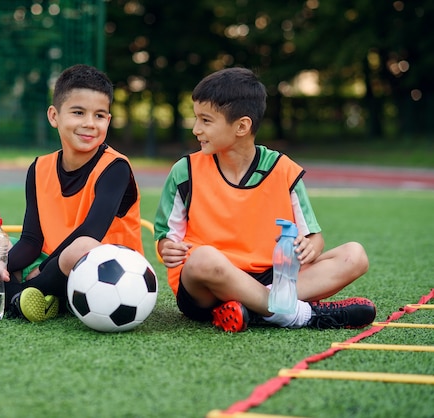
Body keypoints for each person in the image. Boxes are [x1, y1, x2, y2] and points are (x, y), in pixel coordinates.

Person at [153, 67, 376, 332]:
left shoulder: (283, 169)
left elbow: (314, 238)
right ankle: (294, 314)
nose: (196, 129)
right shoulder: (185, 171)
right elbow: (167, 237)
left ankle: (252, 308)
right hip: (208, 286)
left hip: (273, 277)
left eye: (205, 120)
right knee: (202, 259)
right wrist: (166, 248)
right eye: (196, 119)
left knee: (355, 255)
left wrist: (309, 248)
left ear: (242, 126)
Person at [0, 64, 144, 322]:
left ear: (108, 120)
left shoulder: (115, 167)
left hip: (104, 271)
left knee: (82, 246)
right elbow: (30, 240)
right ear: (54, 116)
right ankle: (9, 289)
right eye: (78, 112)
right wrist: (1, 266)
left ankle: (12, 296)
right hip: (46, 262)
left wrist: (42, 269)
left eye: (99, 115)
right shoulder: (40, 167)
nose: (89, 123)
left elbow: (91, 232)